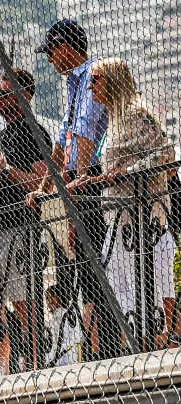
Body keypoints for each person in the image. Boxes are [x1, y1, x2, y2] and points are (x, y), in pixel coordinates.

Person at [82, 57, 176, 351]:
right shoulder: (115, 118)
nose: (90, 86)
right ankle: (139, 346)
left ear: (112, 81)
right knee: (122, 286)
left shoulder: (136, 114)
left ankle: (160, 345)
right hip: (122, 218)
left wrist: (127, 173)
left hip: (142, 218)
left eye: (96, 79)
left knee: (151, 285)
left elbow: (166, 154)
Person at [38, 19, 113, 356]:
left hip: (91, 178)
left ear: (64, 48)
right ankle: (98, 347)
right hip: (77, 183)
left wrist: (79, 180)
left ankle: (106, 346)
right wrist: (46, 185)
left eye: (52, 52)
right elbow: (63, 136)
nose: (51, 60)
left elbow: (84, 131)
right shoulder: (72, 83)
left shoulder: (92, 75)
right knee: (85, 262)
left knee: (99, 263)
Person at [0, 69, 51, 374]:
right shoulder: (6, 133)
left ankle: (37, 364)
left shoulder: (33, 130)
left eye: (5, 93)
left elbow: (40, 181)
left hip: (19, 227)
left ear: (23, 96)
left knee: (24, 300)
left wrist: (7, 168)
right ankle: (4, 366)